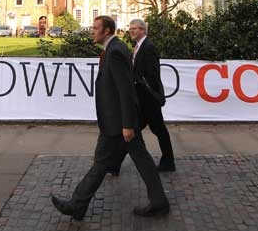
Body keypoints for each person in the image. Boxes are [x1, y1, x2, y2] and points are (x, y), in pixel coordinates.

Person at [51, 15, 169, 220]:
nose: (92, 31)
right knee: (137, 161)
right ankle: (159, 203)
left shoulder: (114, 51)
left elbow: (125, 90)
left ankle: (76, 205)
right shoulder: (115, 48)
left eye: (95, 28)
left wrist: (127, 125)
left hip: (118, 124)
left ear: (106, 31)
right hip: (118, 122)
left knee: (102, 164)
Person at [130, 18, 175, 172]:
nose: (131, 30)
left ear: (143, 30)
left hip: (148, 99)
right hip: (142, 97)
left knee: (158, 130)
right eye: (131, 28)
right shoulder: (137, 46)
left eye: (134, 28)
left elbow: (153, 75)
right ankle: (113, 162)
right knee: (134, 131)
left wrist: (149, 94)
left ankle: (168, 161)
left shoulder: (148, 47)